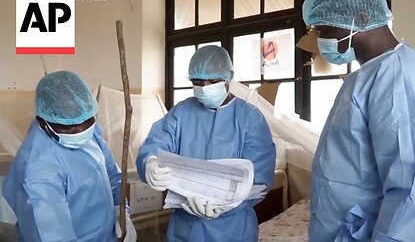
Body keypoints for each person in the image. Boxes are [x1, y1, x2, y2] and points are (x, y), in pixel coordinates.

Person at [302, 0, 415, 241]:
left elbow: (411, 192)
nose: (320, 41)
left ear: (362, 18)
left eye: (326, 30)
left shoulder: (402, 79)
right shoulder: (368, 77)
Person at [136, 45, 276, 242]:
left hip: (232, 229)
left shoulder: (249, 118)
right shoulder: (182, 112)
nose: (203, 87)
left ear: (228, 78)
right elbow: (157, 143)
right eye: (197, 82)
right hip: (185, 228)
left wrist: (226, 206)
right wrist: (149, 161)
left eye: (212, 81)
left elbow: (259, 177)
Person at [2, 71, 136, 242]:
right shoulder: (38, 167)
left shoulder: (91, 131)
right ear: (42, 121)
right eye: (68, 127)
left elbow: (112, 175)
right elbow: (51, 235)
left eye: (86, 122)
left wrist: (120, 210)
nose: (80, 131)